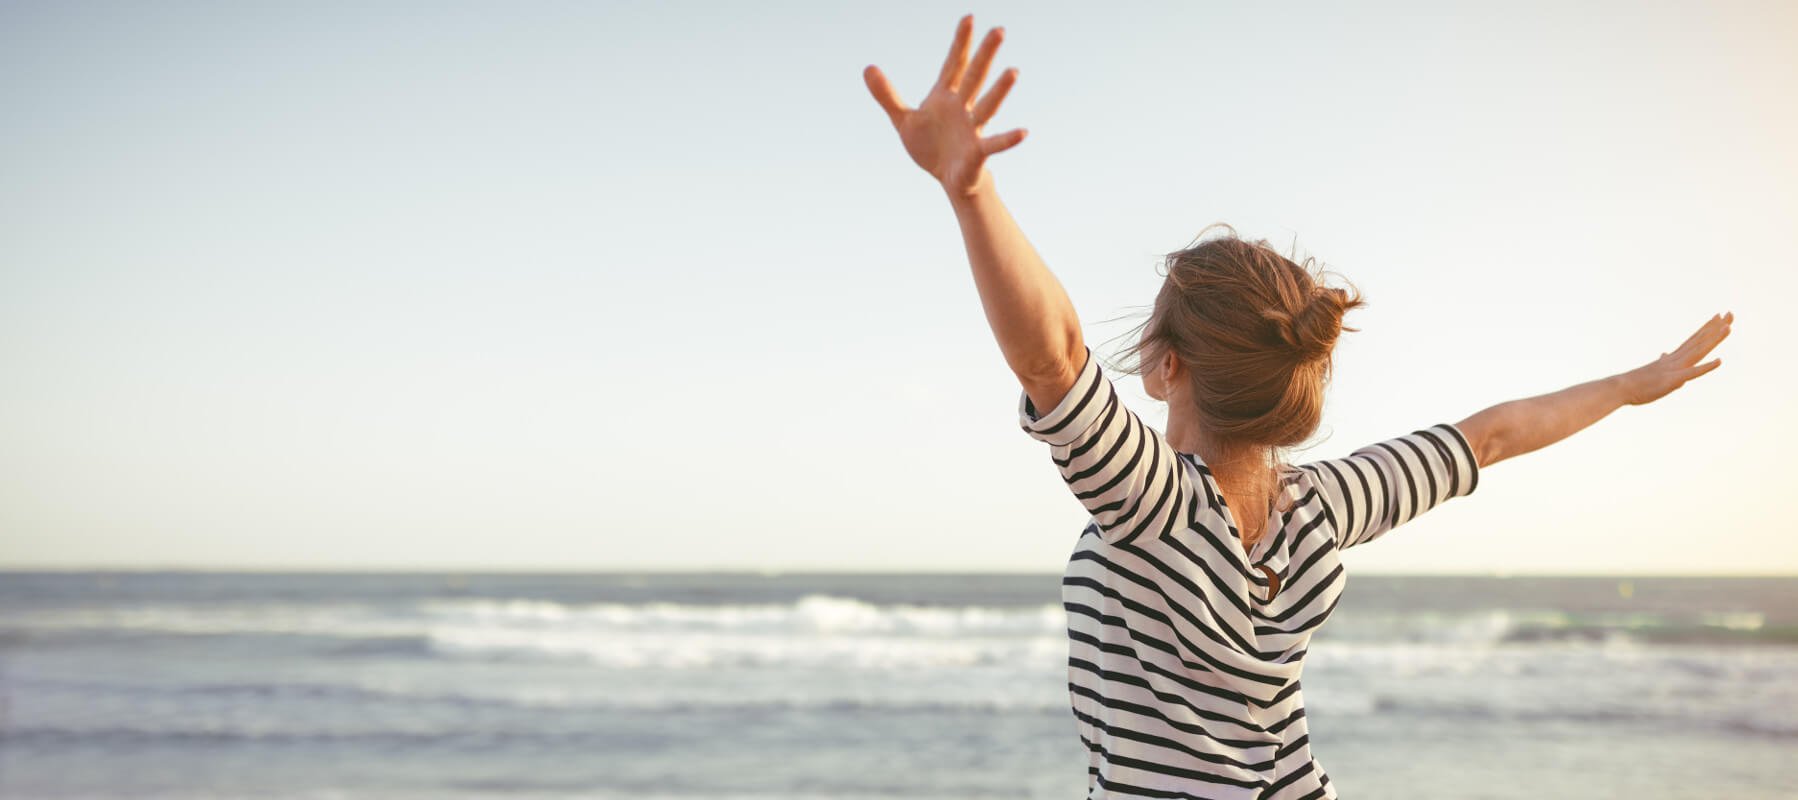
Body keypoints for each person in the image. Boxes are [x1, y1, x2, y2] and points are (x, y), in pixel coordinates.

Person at [864, 14, 1732, 800]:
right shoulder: (1321, 508)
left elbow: (1052, 359)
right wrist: (1626, 387)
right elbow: (1491, 437)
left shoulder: (1152, 502)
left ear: (1167, 369)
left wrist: (971, 194)